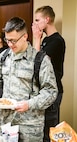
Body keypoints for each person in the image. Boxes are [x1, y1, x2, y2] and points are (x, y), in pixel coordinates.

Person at [0, 17, 58, 141]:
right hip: (5, 123)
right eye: (7, 40)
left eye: (13, 41)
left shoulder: (40, 60)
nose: (10, 44)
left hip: (29, 127)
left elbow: (51, 92)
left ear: (25, 36)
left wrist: (29, 104)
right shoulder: (3, 57)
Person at [32, 5, 66, 142]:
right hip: (43, 90)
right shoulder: (45, 40)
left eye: (37, 20)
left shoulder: (57, 41)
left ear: (47, 19)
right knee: (41, 129)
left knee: (49, 130)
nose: (35, 24)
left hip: (53, 90)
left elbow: (38, 62)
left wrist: (36, 39)